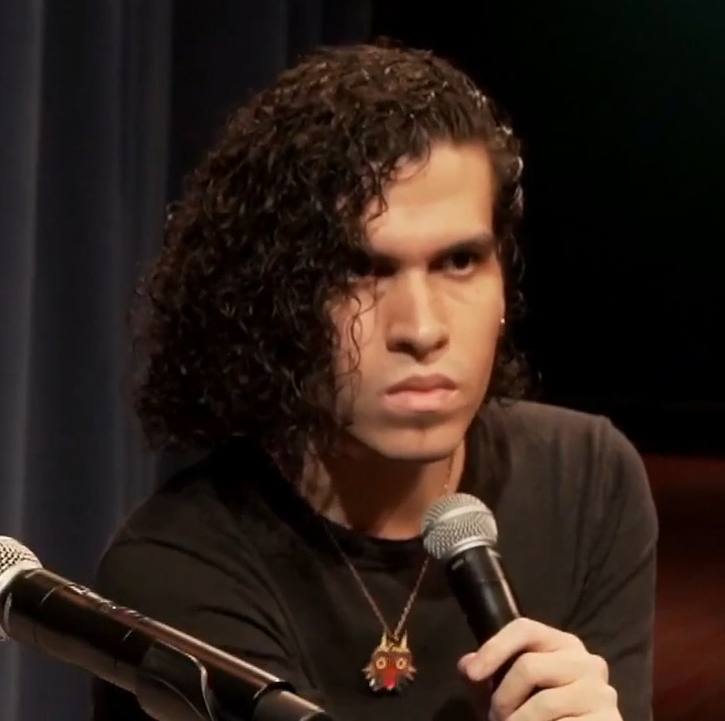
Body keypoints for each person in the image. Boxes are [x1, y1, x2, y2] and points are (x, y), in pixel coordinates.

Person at [92, 41, 657, 721]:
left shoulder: (587, 480)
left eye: (458, 261)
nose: (421, 328)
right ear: (277, 298)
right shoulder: (176, 570)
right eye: (360, 271)